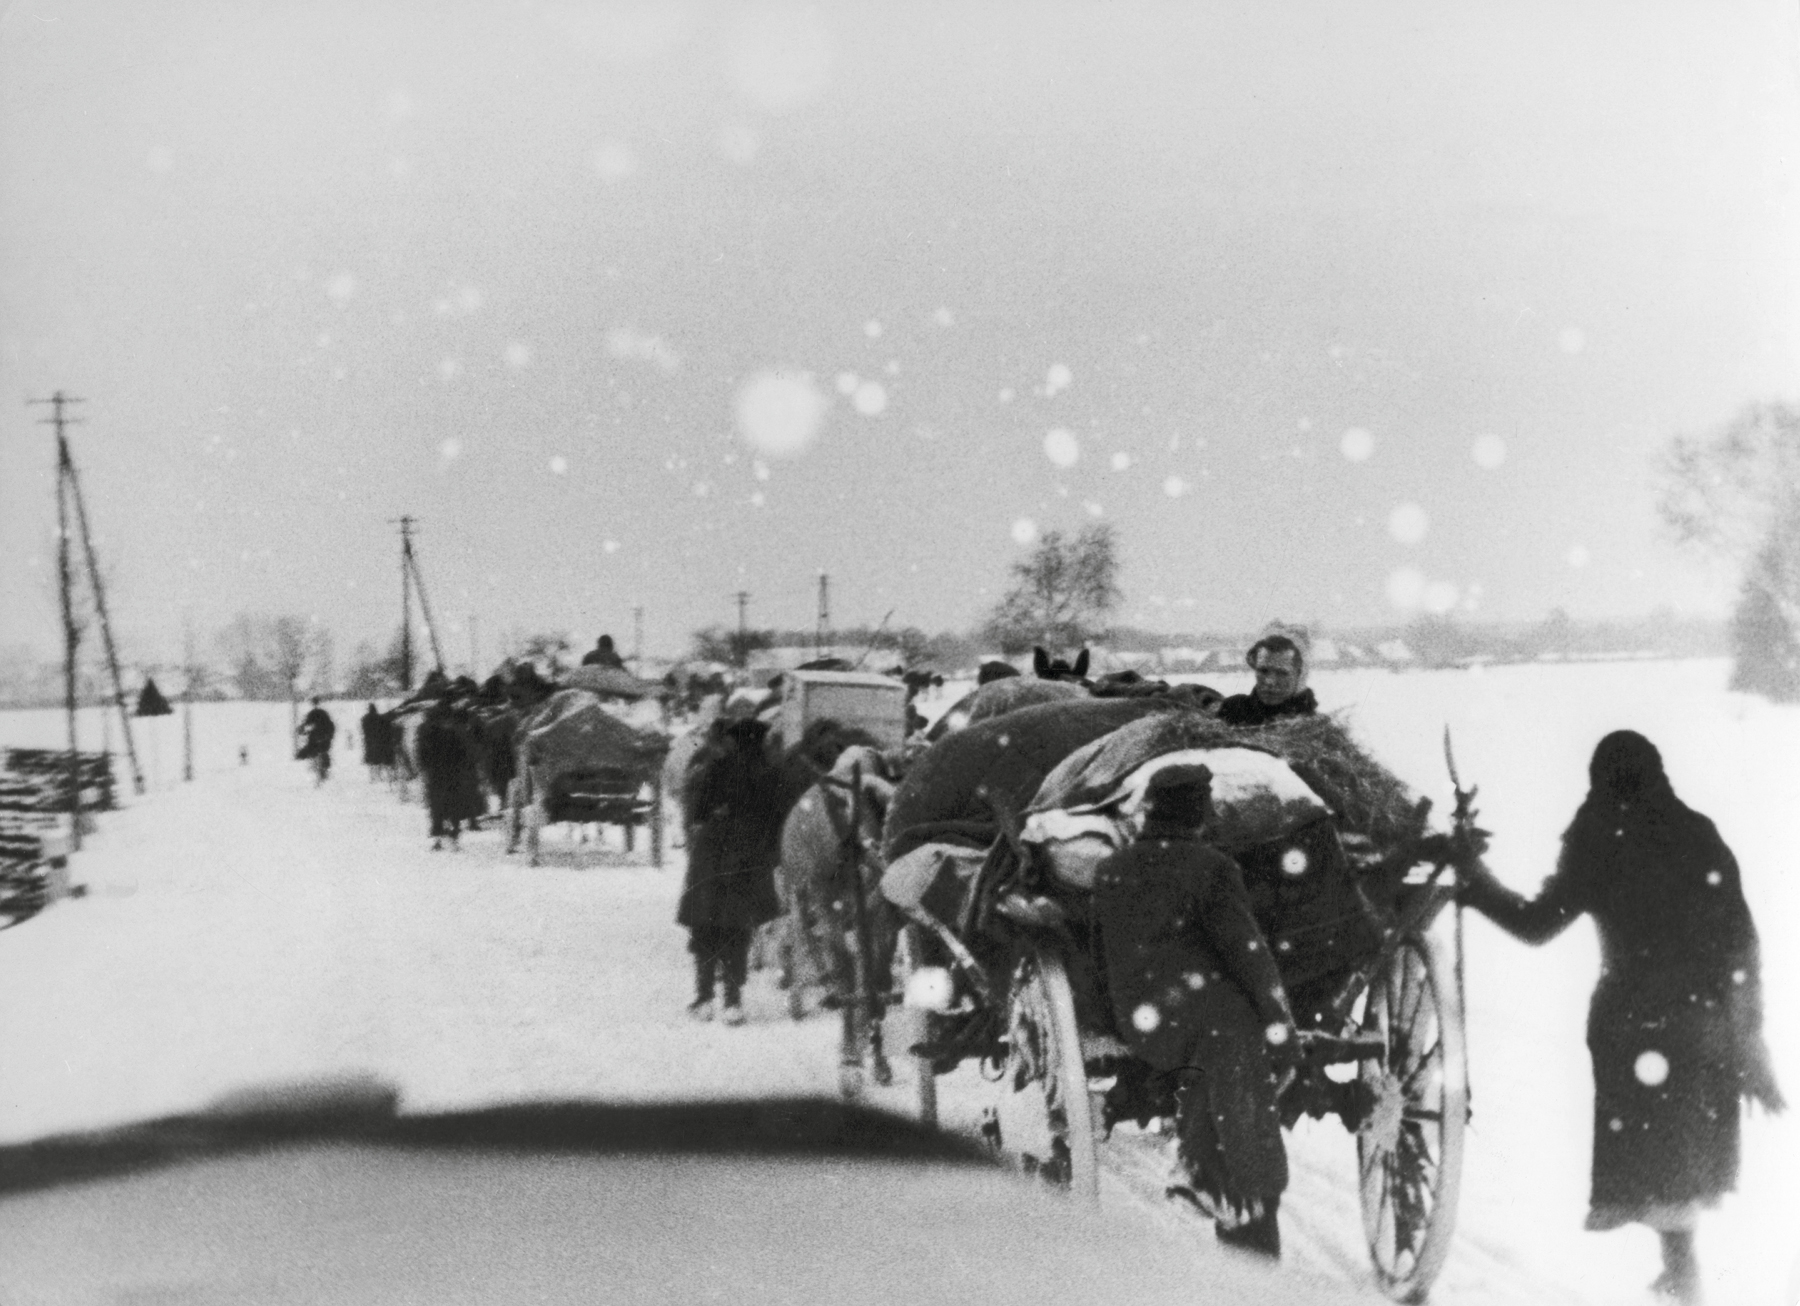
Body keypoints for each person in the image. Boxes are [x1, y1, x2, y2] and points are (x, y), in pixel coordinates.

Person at [1457, 731, 1783, 1304]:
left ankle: (1684, 1282)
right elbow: (1742, 945)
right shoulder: (1698, 833)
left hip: (1632, 1024)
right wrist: (1748, 1039)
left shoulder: (1597, 836)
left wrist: (1473, 880)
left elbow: (1536, 924)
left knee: (1659, 1164)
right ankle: (1681, 1275)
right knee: (1680, 1165)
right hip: (1701, 1023)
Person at [1092, 764, 1301, 1258]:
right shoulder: (1212, 869)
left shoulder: (1110, 869)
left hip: (1140, 1022)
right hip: (1207, 1024)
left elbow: (1102, 958)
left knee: (1215, 1057)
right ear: (1202, 812)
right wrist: (1281, 1026)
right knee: (1240, 1070)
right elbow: (1248, 954)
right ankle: (1236, 1200)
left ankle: (1205, 1172)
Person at [677, 716, 786, 1025]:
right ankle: (733, 1002)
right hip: (749, 859)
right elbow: (777, 822)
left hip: (712, 855)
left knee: (705, 924)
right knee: (738, 930)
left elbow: (697, 812)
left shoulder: (716, 767)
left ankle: (703, 997)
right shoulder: (770, 775)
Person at [1218, 635, 1317, 727]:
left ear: (1298, 674)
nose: (1270, 682)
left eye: (1281, 673)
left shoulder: (1313, 725)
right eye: (1263, 671)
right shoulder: (1232, 710)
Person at [295, 698, 336, 781]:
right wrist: (329, 736)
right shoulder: (324, 713)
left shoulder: (312, 714)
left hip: (317, 738)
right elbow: (330, 725)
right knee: (323, 752)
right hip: (324, 737)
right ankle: (324, 771)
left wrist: (301, 730)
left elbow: (306, 724)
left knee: (313, 752)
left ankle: (318, 770)